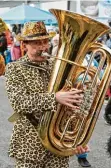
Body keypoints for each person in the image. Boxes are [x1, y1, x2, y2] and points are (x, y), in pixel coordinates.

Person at [5, 21, 90, 168]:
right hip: (29, 144)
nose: (43, 47)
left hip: (58, 145)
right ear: (24, 45)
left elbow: (68, 107)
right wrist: (55, 98)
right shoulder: (14, 68)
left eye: (45, 42)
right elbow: (19, 102)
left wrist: (76, 139)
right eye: (37, 43)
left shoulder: (56, 65)